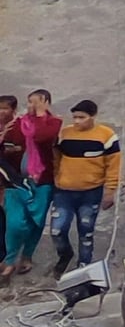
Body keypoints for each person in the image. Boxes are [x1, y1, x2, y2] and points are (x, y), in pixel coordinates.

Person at [42, 96, 116, 273]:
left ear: (93, 116)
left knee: (86, 231)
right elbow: (56, 157)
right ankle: (65, 255)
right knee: (57, 231)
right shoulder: (65, 134)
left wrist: (110, 191)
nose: (77, 121)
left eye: (81, 117)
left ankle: (84, 263)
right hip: (64, 192)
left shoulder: (106, 136)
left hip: (90, 192)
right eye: (75, 117)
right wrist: (57, 178)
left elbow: (114, 165)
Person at [0, 88, 56, 277]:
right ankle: (9, 261)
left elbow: (41, 137)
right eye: (29, 102)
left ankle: (27, 256)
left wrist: (41, 115)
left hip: (42, 182)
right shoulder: (18, 125)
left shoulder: (54, 123)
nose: (31, 106)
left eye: (36, 102)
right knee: (15, 223)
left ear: (45, 103)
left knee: (36, 222)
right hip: (15, 183)